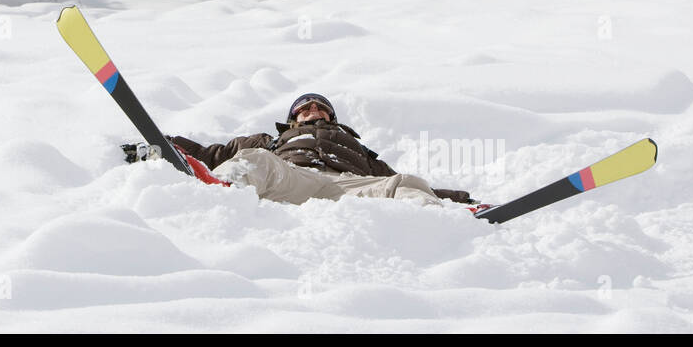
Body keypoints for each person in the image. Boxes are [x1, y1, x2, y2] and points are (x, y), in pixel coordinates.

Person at [166, 93, 473, 207]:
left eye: (321, 107)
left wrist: (462, 200)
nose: (314, 108)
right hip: (293, 178)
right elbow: (211, 155)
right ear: (293, 119)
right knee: (255, 160)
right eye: (305, 107)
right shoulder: (270, 141)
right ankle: (223, 194)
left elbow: (391, 180)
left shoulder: (359, 149)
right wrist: (167, 143)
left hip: (346, 186)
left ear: (331, 117)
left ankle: (429, 219)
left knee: (405, 182)